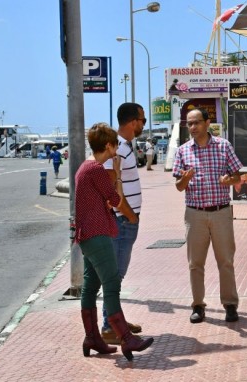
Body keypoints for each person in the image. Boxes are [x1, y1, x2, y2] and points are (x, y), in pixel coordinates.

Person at [75, 123, 153, 361]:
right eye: (115, 144)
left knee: (90, 286)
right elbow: (115, 199)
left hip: (87, 235)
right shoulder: (96, 169)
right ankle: (125, 338)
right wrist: (117, 175)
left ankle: (93, 338)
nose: (117, 149)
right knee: (111, 284)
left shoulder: (85, 167)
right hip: (98, 235)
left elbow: (105, 200)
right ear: (108, 145)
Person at [173, 108, 243, 324]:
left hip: (221, 212)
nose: (192, 127)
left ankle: (230, 305)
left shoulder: (224, 146)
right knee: (195, 263)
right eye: (189, 124)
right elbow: (178, 186)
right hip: (195, 214)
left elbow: (237, 176)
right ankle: (198, 306)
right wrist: (185, 179)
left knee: (226, 261)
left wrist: (229, 181)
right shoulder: (183, 151)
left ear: (207, 122)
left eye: (196, 123)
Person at [100, 103, 146, 343]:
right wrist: (129, 215)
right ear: (132, 122)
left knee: (118, 275)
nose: (143, 125)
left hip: (126, 220)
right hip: (121, 221)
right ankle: (109, 326)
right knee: (114, 276)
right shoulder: (116, 148)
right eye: (143, 120)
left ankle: (115, 319)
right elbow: (110, 189)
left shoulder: (126, 147)